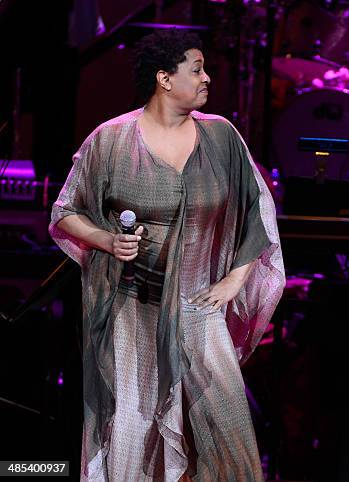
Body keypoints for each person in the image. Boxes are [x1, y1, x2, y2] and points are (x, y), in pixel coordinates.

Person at [49, 29, 285, 481]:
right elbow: (66, 213)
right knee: (134, 435)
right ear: (164, 78)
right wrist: (106, 240)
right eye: (196, 70)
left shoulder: (221, 137)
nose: (207, 78)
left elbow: (258, 209)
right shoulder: (113, 140)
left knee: (229, 431)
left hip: (199, 308)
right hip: (133, 313)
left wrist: (236, 277)